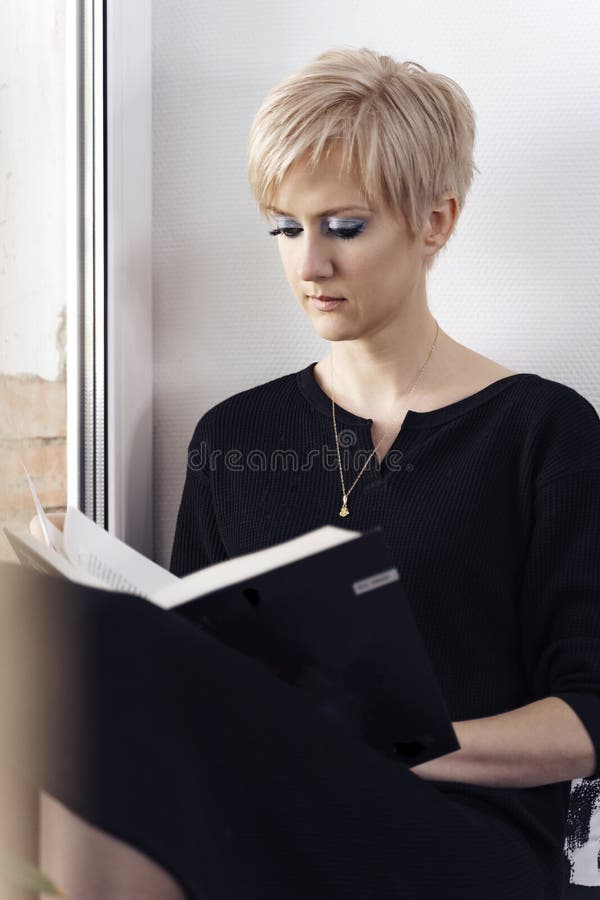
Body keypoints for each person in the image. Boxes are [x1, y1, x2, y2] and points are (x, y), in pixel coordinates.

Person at [170, 48, 600, 898]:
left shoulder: (542, 433)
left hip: (460, 850)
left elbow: (588, 718)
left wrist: (389, 745)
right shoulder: (232, 437)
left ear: (435, 222)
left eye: (345, 226)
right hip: (269, 827)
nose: (308, 265)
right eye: (285, 227)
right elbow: (196, 682)